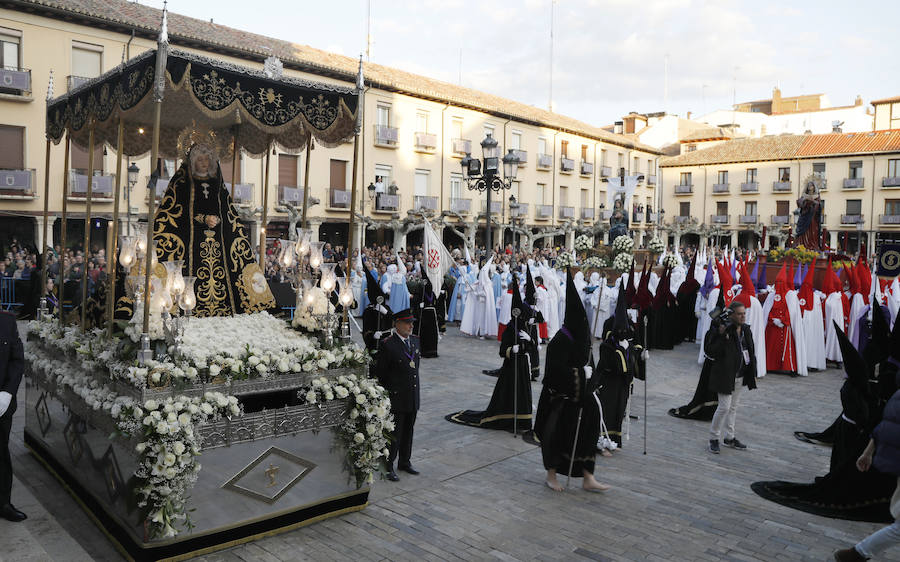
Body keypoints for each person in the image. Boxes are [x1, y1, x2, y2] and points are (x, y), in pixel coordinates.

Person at [150, 140, 274, 317]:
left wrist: (218, 219)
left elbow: (227, 209)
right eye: (200, 160)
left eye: (207, 159)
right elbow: (176, 211)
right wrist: (202, 218)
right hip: (190, 242)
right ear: (192, 161)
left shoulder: (218, 182)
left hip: (218, 241)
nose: (204, 163)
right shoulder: (182, 181)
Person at [534, 269, 609, 492]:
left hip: (582, 398)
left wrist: (591, 376)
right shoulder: (560, 341)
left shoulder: (582, 340)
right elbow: (555, 373)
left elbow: (591, 366)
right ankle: (551, 475)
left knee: (588, 432)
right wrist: (578, 373)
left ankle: (588, 476)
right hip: (560, 399)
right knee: (557, 437)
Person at [447, 276, 534, 431]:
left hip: (522, 368)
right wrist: (511, 350)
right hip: (511, 369)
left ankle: (522, 420)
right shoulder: (510, 329)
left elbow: (530, 347)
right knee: (509, 395)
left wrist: (530, 341)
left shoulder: (524, 328)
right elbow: (503, 351)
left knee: (522, 395)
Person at [374, 309, 421, 482]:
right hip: (397, 397)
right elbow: (381, 374)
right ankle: (388, 465)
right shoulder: (388, 344)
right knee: (394, 434)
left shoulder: (415, 341)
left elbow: (415, 369)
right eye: (407, 323)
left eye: (412, 323)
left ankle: (404, 461)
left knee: (409, 431)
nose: (411, 326)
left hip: (412, 395)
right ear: (397, 324)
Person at [707, 301, 757, 453]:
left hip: (740, 375)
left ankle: (730, 437)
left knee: (733, 408)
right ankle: (713, 438)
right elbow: (711, 351)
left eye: (744, 313)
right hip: (725, 375)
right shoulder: (722, 330)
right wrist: (722, 336)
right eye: (739, 313)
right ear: (731, 314)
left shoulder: (746, 330)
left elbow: (750, 349)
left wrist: (752, 369)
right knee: (724, 407)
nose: (743, 316)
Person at [0, 310, 26, 522]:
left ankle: (3, 503)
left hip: (1, 403)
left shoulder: (6, 321)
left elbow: (17, 360)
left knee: (1, 452)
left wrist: (8, 393)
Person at [362, 268, 393, 355]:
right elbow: (366, 331)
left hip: (387, 342)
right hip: (374, 344)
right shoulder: (368, 311)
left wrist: (386, 313)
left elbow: (393, 321)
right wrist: (372, 336)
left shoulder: (386, 307)